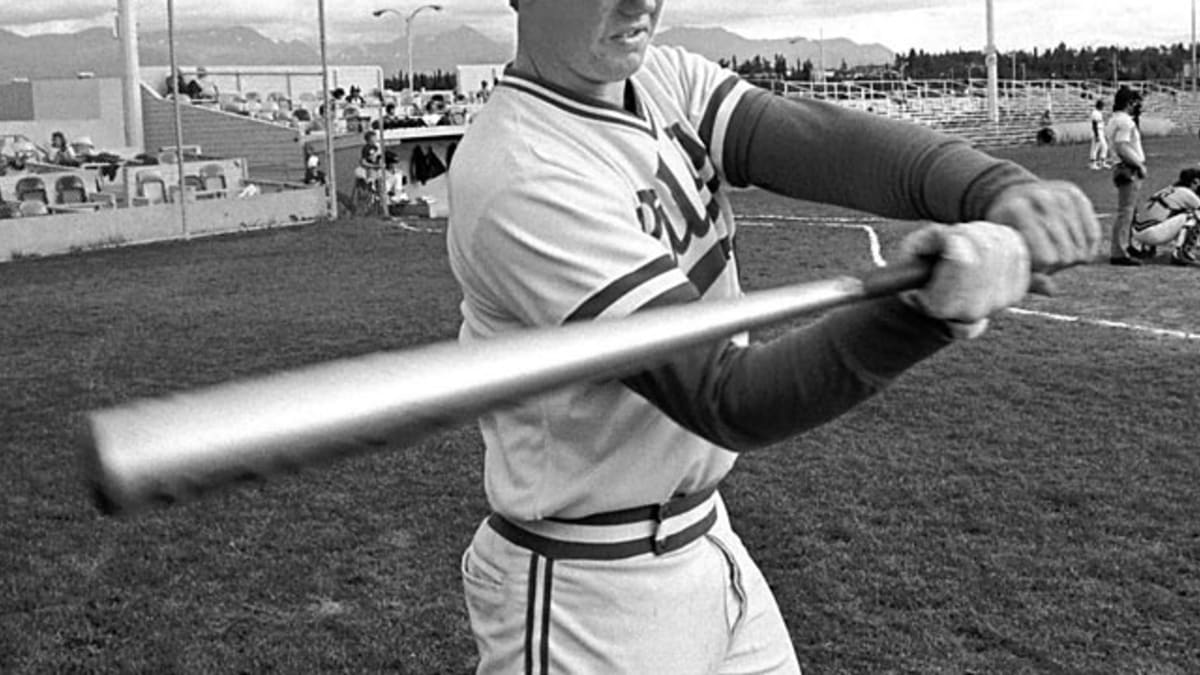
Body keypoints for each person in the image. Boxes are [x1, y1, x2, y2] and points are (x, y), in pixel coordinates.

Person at [446, 1, 1099, 672]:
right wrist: (925, 309)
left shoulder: (662, 78)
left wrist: (992, 188)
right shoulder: (520, 171)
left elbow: (820, 142)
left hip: (707, 538)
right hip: (587, 598)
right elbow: (727, 394)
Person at [1106, 86, 1148, 266]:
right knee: (1126, 211)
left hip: (1121, 167)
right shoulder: (1126, 122)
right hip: (1128, 168)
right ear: (1129, 103)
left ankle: (1126, 245)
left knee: (1129, 210)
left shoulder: (1113, 120)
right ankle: (1119, 251)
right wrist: (1138, 164)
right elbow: (1122, 146)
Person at [1130, 167, 1200, 267]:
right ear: (1195, 182)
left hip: (1138, 235)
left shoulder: (1170, 189)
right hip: (1153, 235)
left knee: (1172, 212)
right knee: (1194, 216)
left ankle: (1145, 248)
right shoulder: (1187, 194)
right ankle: (1182, 254)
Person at [1088, 99, 1110, 171]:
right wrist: (1096, 135)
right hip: (1097, 131)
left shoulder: (1099, 113)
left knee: (1105, 147)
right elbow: (1094, 125)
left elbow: (1102, 123)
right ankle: (1092, 164)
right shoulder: (1095, 113)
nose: (1103, 107)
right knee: (1095, 148)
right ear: (1099, 105)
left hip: (1101, 131)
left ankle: (1102, 162)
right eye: (1102, 105)